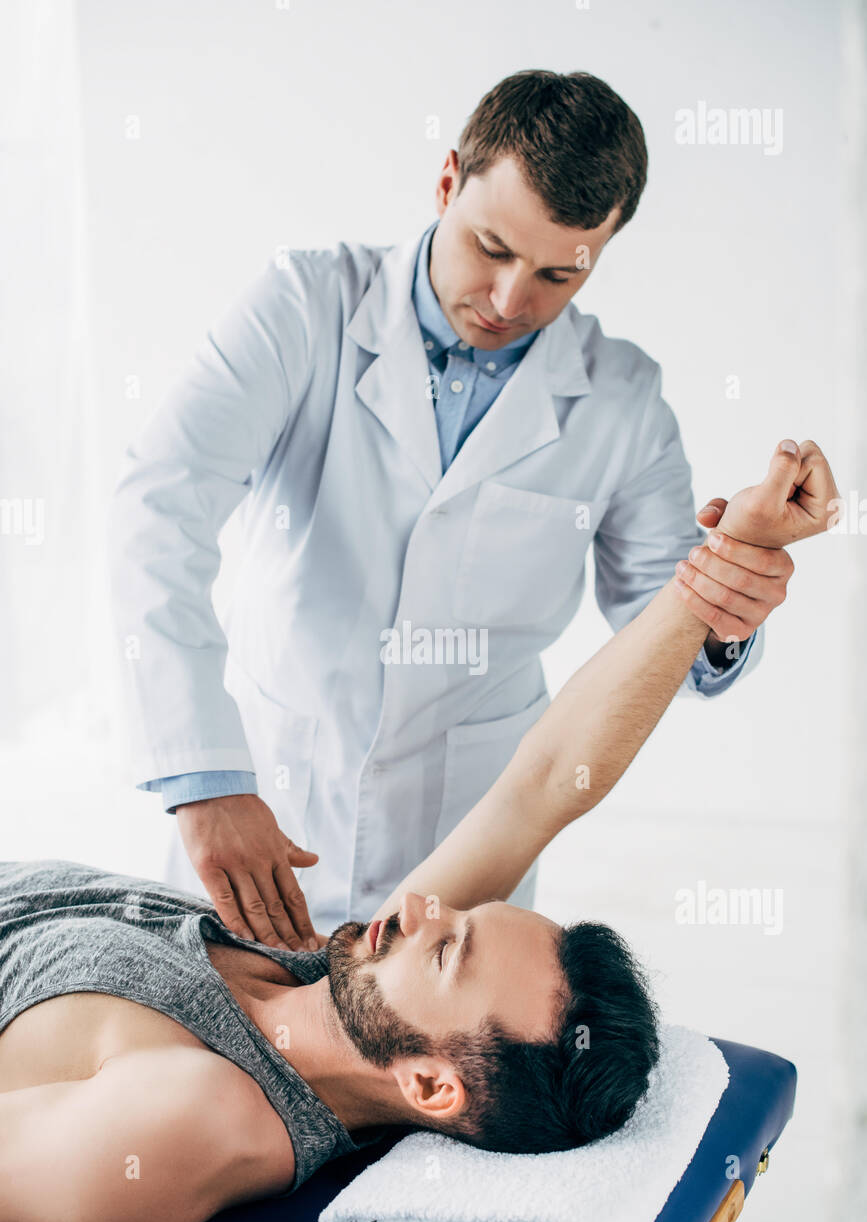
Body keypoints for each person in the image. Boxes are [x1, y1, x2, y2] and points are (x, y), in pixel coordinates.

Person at [1, 442, 837, 1222]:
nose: (416, 909)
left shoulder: (197, 1114)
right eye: (459, 915)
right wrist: (731, 558)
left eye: (445, 952)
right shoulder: (331, 987)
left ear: (433, 1086)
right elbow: (543, 785)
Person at [108, 70, 787, 947]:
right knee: (217, 1047)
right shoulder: (306, 308)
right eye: (491, 247)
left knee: (427, 1075)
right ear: (446, 181)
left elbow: (665, 624)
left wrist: (734, 586)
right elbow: (158, 509)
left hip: (463, 844)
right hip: (268, 797)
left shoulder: (623, 402)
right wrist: (201, 776)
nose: (512, 302)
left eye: (557, 272)